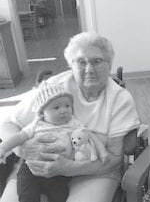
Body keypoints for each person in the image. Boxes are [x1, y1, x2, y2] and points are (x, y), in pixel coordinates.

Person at [0, 32, 140, 202]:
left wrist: (69, 168)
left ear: (109, 64)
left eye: (97, 61)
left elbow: (113, 159)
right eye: (81, 62)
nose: (89, 69)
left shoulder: (120, 99)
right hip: (35, 169)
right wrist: (22, 148)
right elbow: (7, 123)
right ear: (71, 65)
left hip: (94, 171)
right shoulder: (53, 88)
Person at [0, 81, 106, 202]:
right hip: (32, 167)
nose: (63, 110)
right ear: (42, 112)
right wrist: (3, 148)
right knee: (27, 193)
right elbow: (19, 137)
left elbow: (89, 135)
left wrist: (101, 151)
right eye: (56, 107)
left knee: (60, 195)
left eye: (67, 106)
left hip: (59, 170)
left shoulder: (73, 123)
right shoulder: (36, 125)